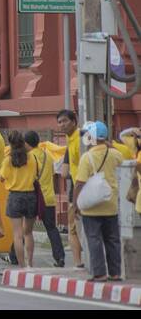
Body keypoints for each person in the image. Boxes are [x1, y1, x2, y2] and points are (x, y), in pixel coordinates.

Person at [74, 121, 124, 281]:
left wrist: (75, 204)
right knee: (113, 240)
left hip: (91, 207)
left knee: (94, 240)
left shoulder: (87, 158)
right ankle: (115, 273)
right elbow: (123, 159)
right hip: (111, 204)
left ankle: (99, 273)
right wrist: (109, 145)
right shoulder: (115, 154)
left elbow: (80, 182)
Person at [24, 131, 65, 268]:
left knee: (26, 228)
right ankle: (60, 257)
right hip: (48, 197)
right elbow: (52, 175)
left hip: (34, 197)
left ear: (27, 143)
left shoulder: (29, 157)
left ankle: (13, 255)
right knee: (51, 228)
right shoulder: (48, 156)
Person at [0, 130, 39, 269]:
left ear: (10, 144)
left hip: (15, 196)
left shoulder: (8, 160)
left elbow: (2, 177)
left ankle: (21, 265)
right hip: (30, 195)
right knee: (28, 232)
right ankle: (31, 262)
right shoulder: (31, 157)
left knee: (17, 234)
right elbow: (35, 175)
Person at [55, 109, 86, 269]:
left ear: (75, 121)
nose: (62, 125)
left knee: (77, 227)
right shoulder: (71, 139)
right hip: (77, 187)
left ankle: (80, 262)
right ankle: (78, 262)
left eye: (65, 121)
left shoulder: (82, 137)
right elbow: (66, 172)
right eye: (59, 122)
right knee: (74, 227)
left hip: (82, 188)